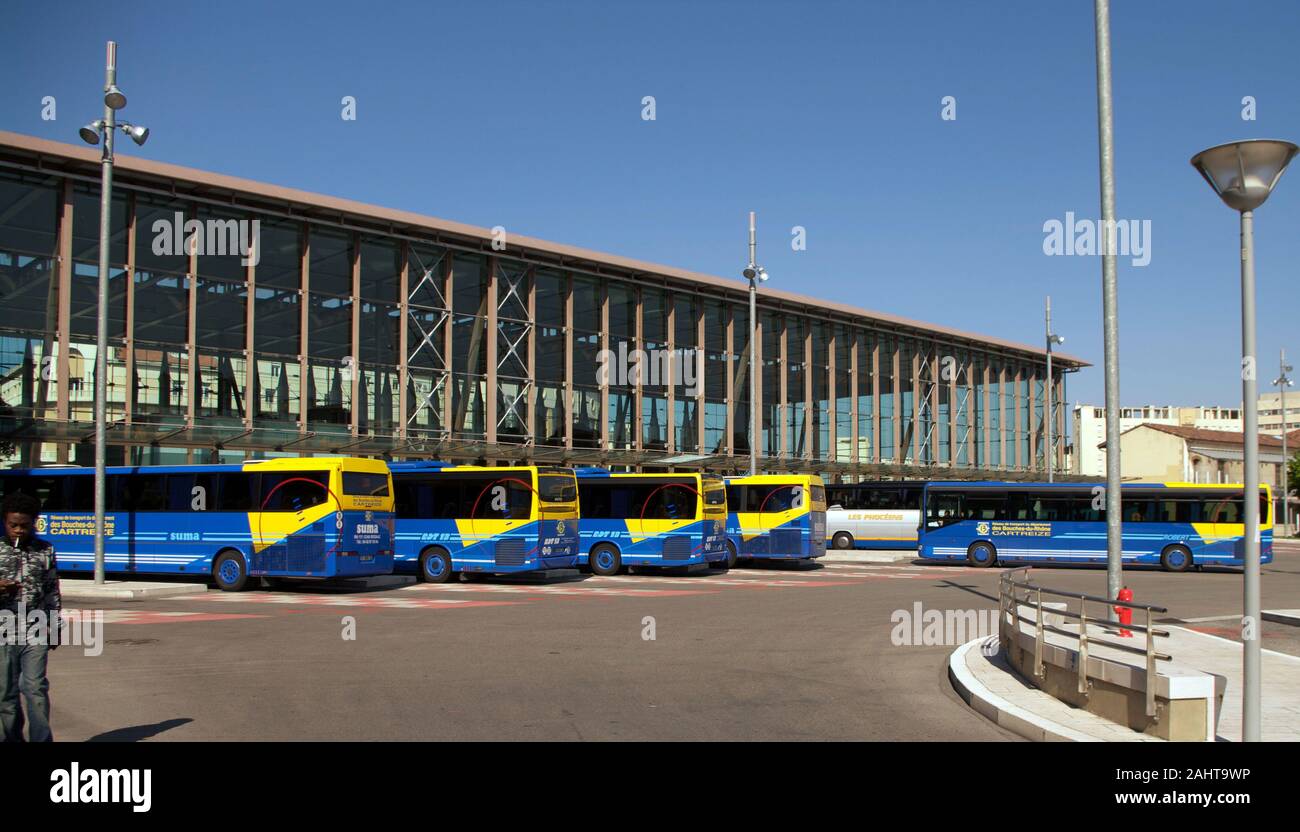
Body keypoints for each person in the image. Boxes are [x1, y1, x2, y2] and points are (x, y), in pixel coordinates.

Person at [0, 491, 60, 742]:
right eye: (13, 525)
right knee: (5, 693)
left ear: (34, 522)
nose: (18, 530)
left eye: (24, 525)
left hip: (35, 628)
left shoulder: (45, 550)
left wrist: (55, 627)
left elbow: (52, 590)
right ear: (5, 522)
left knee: (35, 688)